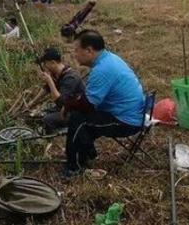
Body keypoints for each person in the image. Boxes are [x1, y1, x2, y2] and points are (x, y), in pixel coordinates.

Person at [62, 30, 145, 178]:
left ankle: (73, 168)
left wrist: (67, 105)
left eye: (76, 50)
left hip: (126, 121)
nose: (75, 54)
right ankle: (87, 153)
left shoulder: (102, 69)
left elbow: (88, 105)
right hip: (130, 113)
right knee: (84, 118)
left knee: (77, 119)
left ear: (89, 50)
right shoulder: (109, 59)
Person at [26, 47, 84, 134]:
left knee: (47, 120)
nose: (45, 66)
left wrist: (50, 81)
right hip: (65, 108)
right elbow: (46, 89)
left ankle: (59, 134)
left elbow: (60, 101)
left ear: (53, 63)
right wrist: (32, 102)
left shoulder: (71, 78)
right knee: (39, 114)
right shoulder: (57, 73)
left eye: (45, 63)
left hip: (77, 112)